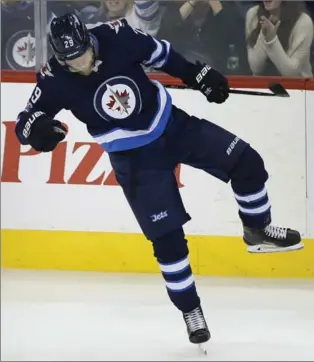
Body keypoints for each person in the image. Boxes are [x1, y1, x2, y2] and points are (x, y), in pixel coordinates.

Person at [15, 13, 303, 348]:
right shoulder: (54, 78)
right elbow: (25, 121)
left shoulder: (117, 35)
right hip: (134, 161)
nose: (79, 62)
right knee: (168, 241)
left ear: (88, 40)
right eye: (70, 60)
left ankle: (258, 229)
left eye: (82, 53)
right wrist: (37, 129)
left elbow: (161, 54)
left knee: (247, 162)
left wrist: (197, 74)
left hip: (173, 127)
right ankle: (190, 310)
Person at [246, 0, 314, 77]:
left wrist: (271, 40)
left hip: (297, 86)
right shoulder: (253, 15)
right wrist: (264, 34)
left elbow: (292, 73)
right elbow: (256, 68)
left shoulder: (303, 22)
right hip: (261, 85)